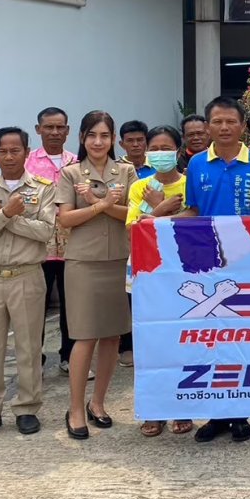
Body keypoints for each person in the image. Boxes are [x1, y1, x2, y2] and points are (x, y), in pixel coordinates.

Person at [186, 96, 250, 445]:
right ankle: (217, 414)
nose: (224, 128)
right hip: (208, 264)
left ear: (243, 127)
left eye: (231, 122)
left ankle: (240, 413)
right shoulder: (197, 164)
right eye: (217, 122)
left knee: (244, 338)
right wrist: (155, 224)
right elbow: (193, 211)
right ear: (207, 126)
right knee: (213, 339)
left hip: (249, 263)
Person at [0, 127, 56, 440]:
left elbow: (46, 232)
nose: (9, 157)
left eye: (15, 150)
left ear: (27, 152)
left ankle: (27, 408)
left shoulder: (42, 188)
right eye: (2, 151)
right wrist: (5, 213)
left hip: (27, 274)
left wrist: (8, 218)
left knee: (29, 347)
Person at [55, 111, 138, 440]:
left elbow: (134, 214)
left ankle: (98, 403)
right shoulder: (71, 173)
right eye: (92, 135)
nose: (98, 142)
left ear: (113, 139)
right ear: (82, 138)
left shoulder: (126, 171)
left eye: (104, 135)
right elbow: (65, 219)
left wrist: (99, 203)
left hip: (119, 260)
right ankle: (75, 408)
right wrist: (99, 205)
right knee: (85, 336)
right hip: (84, 263)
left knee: (113, 336)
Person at [126, 125, 194, 438]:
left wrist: (154, 217)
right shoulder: (139, 186)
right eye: (154, 148)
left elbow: (194, 220)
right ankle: (153, 409)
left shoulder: (190, 183)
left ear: (178, 150)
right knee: (149, 342)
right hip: (147, 272)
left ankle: (182, 407)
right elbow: (133, 228)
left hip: (183, 271)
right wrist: (160, 208)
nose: (159, 154)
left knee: (182, 341)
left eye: (166, 148)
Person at [26, 107, 76, 372]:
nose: (55, 132)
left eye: (60, 127)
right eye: (49, 127)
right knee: (36, 305)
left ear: (67, 130)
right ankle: (35, 360)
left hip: (72, 245)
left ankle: (70, 357)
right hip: (38, 246)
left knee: (73, 304)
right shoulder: (27, 163)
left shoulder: (77, 163)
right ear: (38, 130)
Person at [117, 118, 150, 368]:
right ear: (122, 144)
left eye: (140, 140)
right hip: (123, 239)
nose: (136, 145)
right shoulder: (116, 170)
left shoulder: (158, 168)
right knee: (127, 297)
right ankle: (126, 345)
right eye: (131, 141)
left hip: (153, 244)